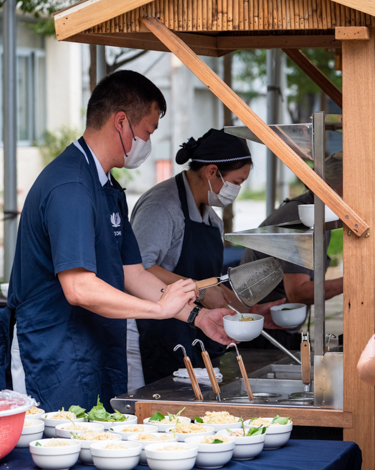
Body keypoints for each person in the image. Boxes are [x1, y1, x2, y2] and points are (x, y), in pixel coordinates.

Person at [0, 71, 234, 411]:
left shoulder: (107, 187)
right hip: (54, 351)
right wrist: (158, 309)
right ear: (121, 122)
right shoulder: (71, 186)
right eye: (148, 131)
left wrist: (196, 316)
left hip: (96, 343)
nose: (148, 143)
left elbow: (132, 273)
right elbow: (79, 288)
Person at [130, 129, 284, 387]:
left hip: (192, 329)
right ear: (212, 172)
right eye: (236, 181)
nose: (237, 189)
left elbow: (211, 284)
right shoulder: (161, 206)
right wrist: (199, 291)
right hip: (152, 331)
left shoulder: (212, 220)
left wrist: (253, 313)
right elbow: (139, 267)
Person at [240, 151, 344, 350]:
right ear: (328, 189)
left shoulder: (321, 215)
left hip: (282, 327)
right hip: (261, 332)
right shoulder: (301, 218)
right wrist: (354, 283)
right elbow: (298, 292)